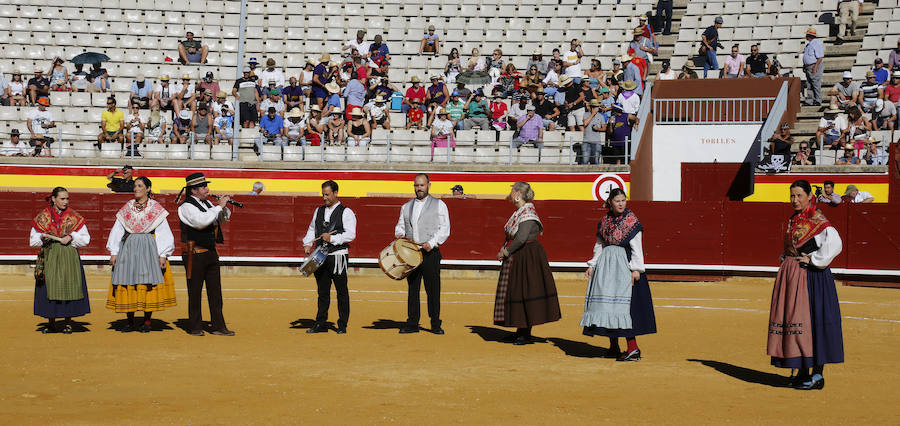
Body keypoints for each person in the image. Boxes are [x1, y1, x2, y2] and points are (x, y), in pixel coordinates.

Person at [768, 180, 843, 390]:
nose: (795, 200)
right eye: (792, 196)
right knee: (796, 320)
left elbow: (835, 243)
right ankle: (801, 371)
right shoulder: (796, 218)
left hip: (813, 279)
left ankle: (817, 375)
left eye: (799, 195)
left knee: (814, 323)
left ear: (810, 196)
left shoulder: (817, 218)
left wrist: (815, 260)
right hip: (795, 276)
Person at [581, 188, 655, 360]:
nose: (621, 203)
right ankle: (613, 346)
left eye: (623, 200)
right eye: (617, 201)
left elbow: (637, 247)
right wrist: (592, 264)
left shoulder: (631, 221)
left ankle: (633, 348)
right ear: (610, 203)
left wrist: (636, 269)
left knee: (626, 308)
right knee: (607, 306)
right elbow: (600, 244)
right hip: (606, 268)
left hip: (624, 266)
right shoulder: (605, 220)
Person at [493, 181, 561, 345]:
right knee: (519, 291)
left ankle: (525, 332)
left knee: (525, 291)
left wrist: (506, 251)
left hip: (526, 256)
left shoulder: (527, 212)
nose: (509, 195)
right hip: (522, 255)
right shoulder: (522, 211)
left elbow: (522, 238)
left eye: (511, 191)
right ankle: (520, 331)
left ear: (517, 194)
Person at [105, 177, 175, 333]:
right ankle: (130, 322)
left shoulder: (155, 208)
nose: (135, 189)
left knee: (146, 284)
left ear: (148, 188)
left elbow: (163, 231)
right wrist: (114, 252)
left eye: (139, 186)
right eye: (135, 186)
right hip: (128, 247)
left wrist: (163, 254)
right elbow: (117, 230)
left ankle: (147, 321)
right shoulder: (128, 207)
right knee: (127, 281)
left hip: (148, 248)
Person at [176, 173, 235, 336]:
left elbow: (219, 221)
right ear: (193, 190)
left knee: (215, 291)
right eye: (203, 187)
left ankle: (218, 326)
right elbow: (201, 222)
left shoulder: (208, 203)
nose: (207, 189)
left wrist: (223, 208)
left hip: (210, 252)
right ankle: (194, 326)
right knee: (194, 291)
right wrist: (218, 207)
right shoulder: (185, 207)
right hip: (194, 254)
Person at [394, 174, 451, 334]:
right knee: (413, 288)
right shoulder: (406, 207)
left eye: (421, 185)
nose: (419, 188)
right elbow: (400, 226)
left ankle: (435, 323)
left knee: (433, 289)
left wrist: (431, 243)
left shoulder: (439, 205)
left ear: (429, 185)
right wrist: (399, 233)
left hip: (430, 253)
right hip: (411, 253)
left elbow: (444, 228)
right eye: (416, 185)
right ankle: (412, 323)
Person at [30, 187, 91, 334]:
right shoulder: (43, 216)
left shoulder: (73, 216)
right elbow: (33, 240)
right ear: (53, 199)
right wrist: (42, 238)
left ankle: (68, 323)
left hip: (69, 255)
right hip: (50, 253)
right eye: (62, 198)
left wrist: (71, 237)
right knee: (49, 286)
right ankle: (51, 323)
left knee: (69, 285)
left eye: (67, 199)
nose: (65, 202)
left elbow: (86, 239)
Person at [302, 180, 357, 334]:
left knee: (341, 291)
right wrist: (307, 243)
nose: (324, 198)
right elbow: (312, 229)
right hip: (320, 256)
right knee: (322, 291)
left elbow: (351, 234)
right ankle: (320, 323)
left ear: (335, 193)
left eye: (327, 194)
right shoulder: (318, 211)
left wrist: (332, 239)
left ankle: (342, 325)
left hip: (338, 256)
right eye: (323, 194)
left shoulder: (346, 212)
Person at [803, 28, 825, 106]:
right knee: (809, 84)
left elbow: (820, 57)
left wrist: (815, 67)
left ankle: (817, 100)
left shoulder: (817, 43)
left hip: (814, 65)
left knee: (815, 83)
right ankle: (810, 100)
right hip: (809, 66)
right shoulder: (810, 44)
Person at [583, 99, 607, 165]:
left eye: (596, 107)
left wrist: (598, 129)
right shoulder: (586, 114)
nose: (595, 108)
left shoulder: (601, 116)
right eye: (594, 107)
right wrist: (593, 114)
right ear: (590, 107)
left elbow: (604, 128)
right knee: (585, 161)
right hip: (586, 141)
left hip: (596, 142)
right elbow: (585, 123)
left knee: (596, 161)